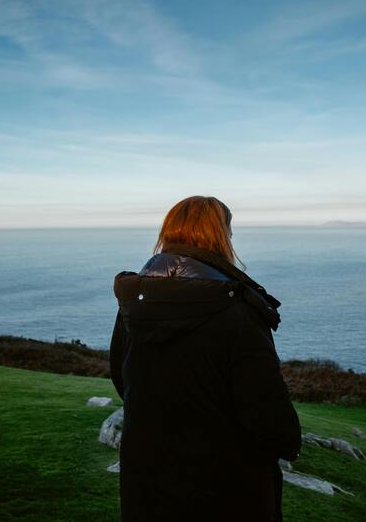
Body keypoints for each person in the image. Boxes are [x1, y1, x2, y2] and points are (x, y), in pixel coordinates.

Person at [109, 196, 301, 522]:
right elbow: (271, 421)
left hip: (147, 483)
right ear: (220, 236)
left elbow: (121, 377)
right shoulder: (237, 310)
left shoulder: (136, 303)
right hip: (224, 491)